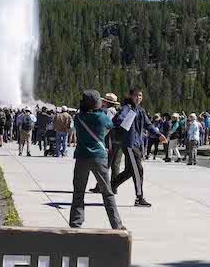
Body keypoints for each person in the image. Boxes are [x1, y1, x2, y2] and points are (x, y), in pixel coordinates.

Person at [69, 90, 124, 230]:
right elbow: (111, 127)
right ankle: (116, 225)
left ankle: (76, 223)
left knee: (78, 192)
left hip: (81, 156)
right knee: (107, 193)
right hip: (99, 157)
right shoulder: (102, 117)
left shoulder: (78, 118)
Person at [111, 88, 165, 207]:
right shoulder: (127, 108)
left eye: (140, 96)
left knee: (130, 171)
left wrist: (158, 134)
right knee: (138, 170)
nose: (138, 98)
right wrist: (124, 121)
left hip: (137, 144)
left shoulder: (140, 110)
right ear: (130, 96)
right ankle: (139, 198)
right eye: (136, 96)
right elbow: (119, 119)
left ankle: (110, 186)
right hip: (129, 144)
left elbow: (148, 125)